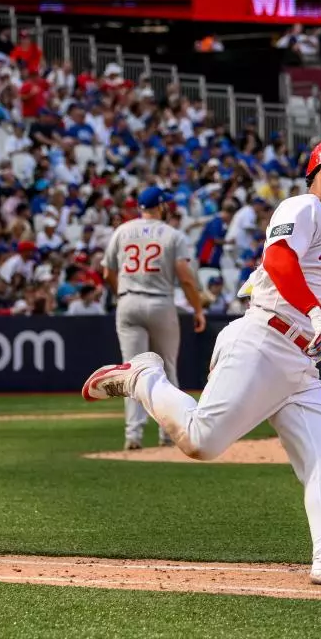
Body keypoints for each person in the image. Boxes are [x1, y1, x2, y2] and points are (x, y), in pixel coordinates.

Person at [80, 139, 321, 586]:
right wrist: (312, 314)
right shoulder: (303, 207)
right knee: (200, 441)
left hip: (298, 363)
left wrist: (316, 325)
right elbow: (279, 258)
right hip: (264, 342)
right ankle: (143, 377)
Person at [103, 187, 206, 450]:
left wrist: (123, 295)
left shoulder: (122, 231)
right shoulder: (173, 235)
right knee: (167, 369)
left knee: (131, 371)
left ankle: (133, 435)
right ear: (161, 207)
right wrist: (197, 309)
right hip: (160, 302)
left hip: (128, 301)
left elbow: (107, 272)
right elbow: (184, 276)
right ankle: (167, 434)